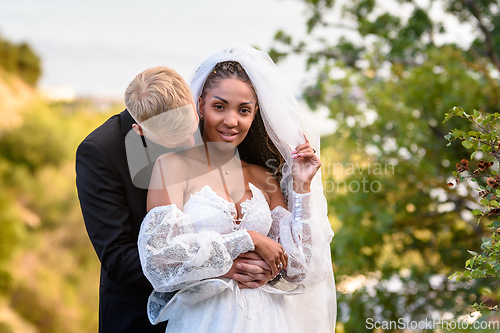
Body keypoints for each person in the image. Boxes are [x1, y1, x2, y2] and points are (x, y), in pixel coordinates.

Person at [138, 46, 336, 333]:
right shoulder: (171, 167)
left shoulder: (263, 177)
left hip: (271, 321)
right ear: (201, 105)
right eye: (220, 106)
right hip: (204, 322)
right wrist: (248, 239)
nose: (232, 121)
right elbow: (160, 263)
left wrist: (301, 187)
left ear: (255, 113)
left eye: (244, 110)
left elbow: (300, 269)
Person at [76, 65, 272, 333]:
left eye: (191, 129)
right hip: (137, 314)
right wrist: (220, 265)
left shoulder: (202, 119)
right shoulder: (99, 152)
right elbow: (118, 259)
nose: (189, 142)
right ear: (140, 130)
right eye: (174, 140)